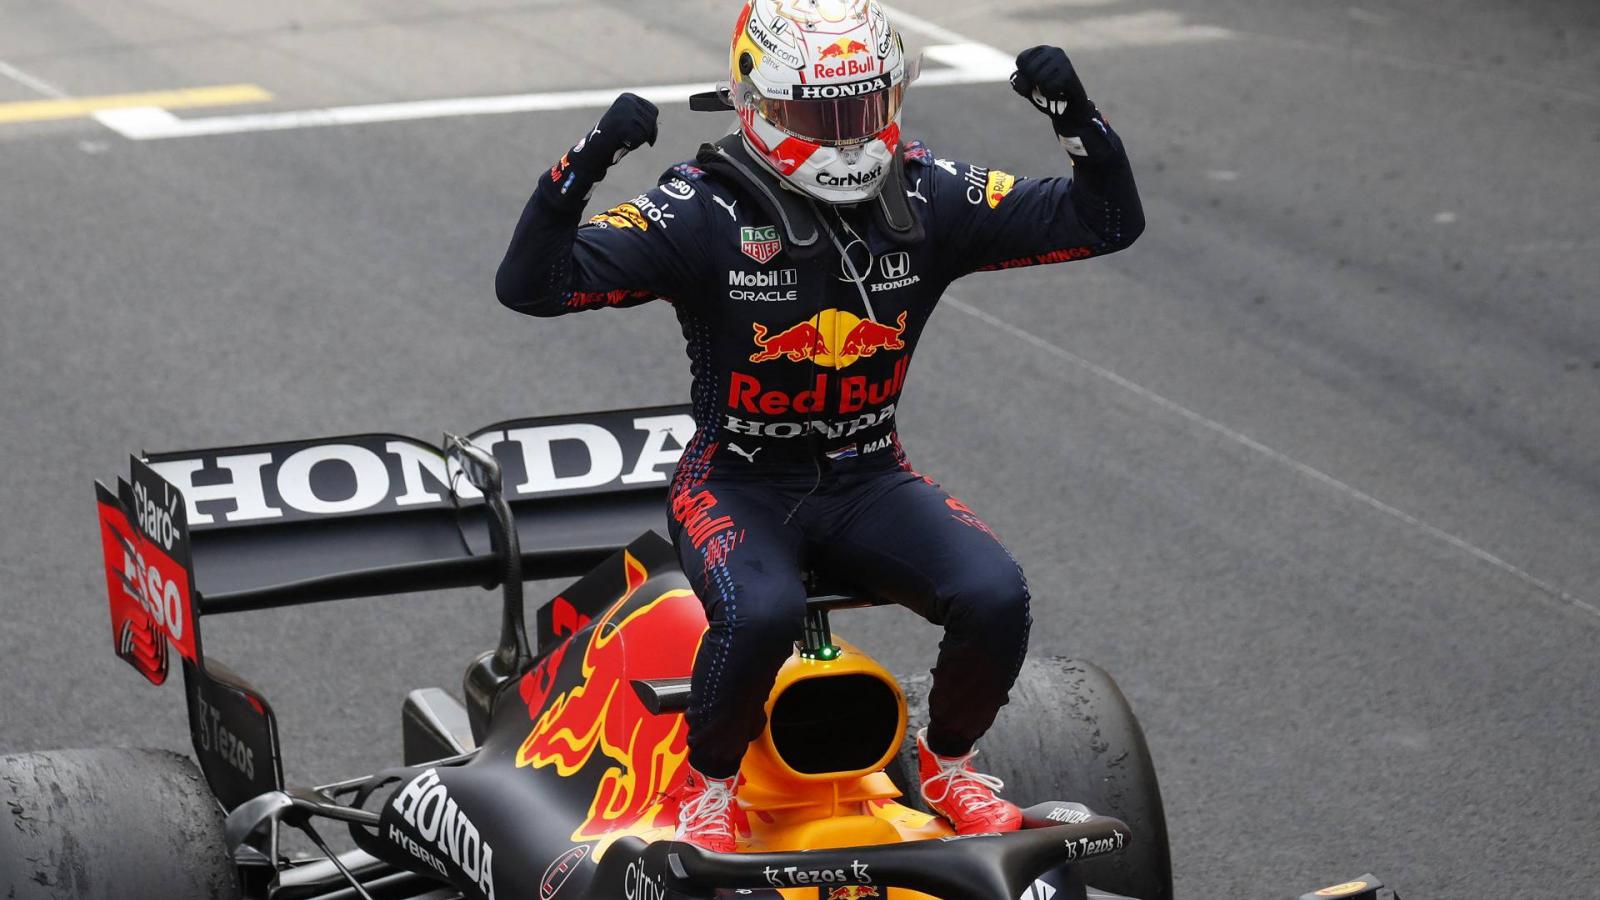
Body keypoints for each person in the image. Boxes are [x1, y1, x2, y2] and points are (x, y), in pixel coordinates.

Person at [496, 0, 1142, 853]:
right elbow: (532, 286)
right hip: (735, 482)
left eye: (863, 109)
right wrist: (582, 166)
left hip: (869, 476)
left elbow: (1107, 221)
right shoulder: (700, 208)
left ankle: (948, 763)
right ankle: (708, 788)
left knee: (995, 594)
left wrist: (1077, 118)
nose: (846, 138)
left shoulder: (931, 193)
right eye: (819, 115)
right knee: (759, 614)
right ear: (756, 105)